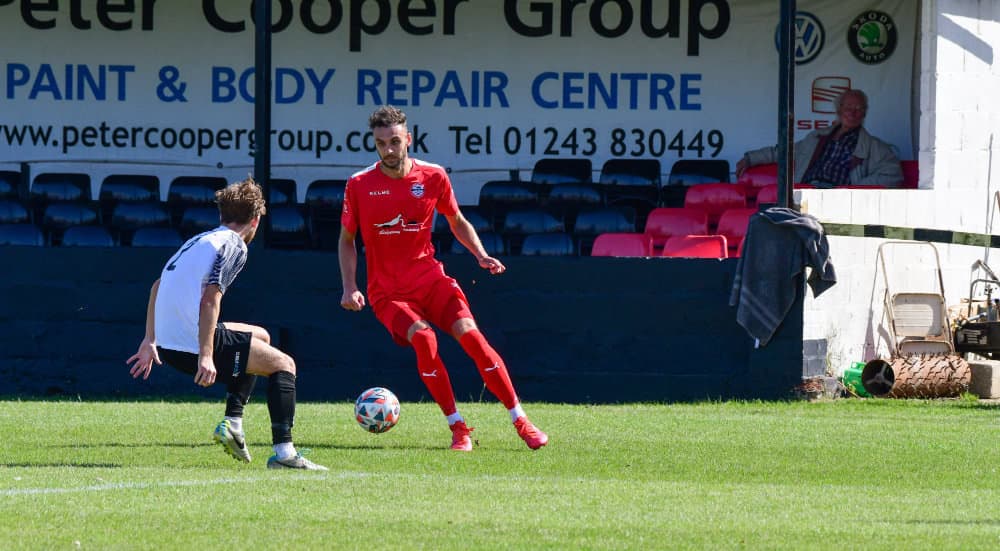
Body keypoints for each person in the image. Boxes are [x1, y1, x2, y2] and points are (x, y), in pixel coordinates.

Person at [338, 105, 548, 452]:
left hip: (431, 280)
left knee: (473, 338)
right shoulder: (359, 184)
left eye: (394, 141)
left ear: (408, 139)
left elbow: (456, 220)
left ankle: (521, 420)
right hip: (388, 293)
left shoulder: (433, 176)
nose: (388, 149)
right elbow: (347, 239)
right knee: (424, 339)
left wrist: (480, 254)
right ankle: (458, 427)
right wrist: (350, 286)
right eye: (381, 143)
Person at [126, 178, 327, 471]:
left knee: (260, 336)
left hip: (169, 345)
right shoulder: (234, 245)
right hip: (190, 345)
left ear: (222, 215)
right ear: (255, 220)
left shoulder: (199, 240)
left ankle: (233, 422)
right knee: (285, 365)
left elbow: (158, 285)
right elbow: (210, 299)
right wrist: (205, 355)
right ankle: (285, 454)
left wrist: (150, 339)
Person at [736, 88, 903, 188]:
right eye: (848, 107)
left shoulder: (875, 147)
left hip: (839, 200)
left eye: (859, 108)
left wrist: (853, 190)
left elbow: (893, 176)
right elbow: (784, 151)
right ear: (839, 110)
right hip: (807, 194)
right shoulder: (816, 137)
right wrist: (751, 158)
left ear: (864, 113)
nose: (853, 113)